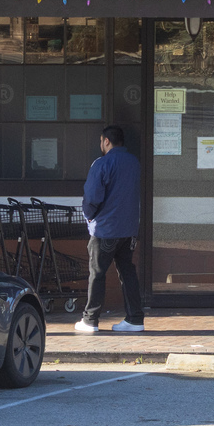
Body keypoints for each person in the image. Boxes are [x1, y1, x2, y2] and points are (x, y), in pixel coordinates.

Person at [77, 124, 144, 334]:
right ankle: (135, 319)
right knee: (127, 272)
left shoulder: (102, 163)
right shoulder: (134, 163)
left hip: (105, 229)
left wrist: (89, 216)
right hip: (129, 229)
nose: (101, 144)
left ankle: (90, 320)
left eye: (101, 141)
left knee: (97, 273)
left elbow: (92, 196)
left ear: (106, 141)